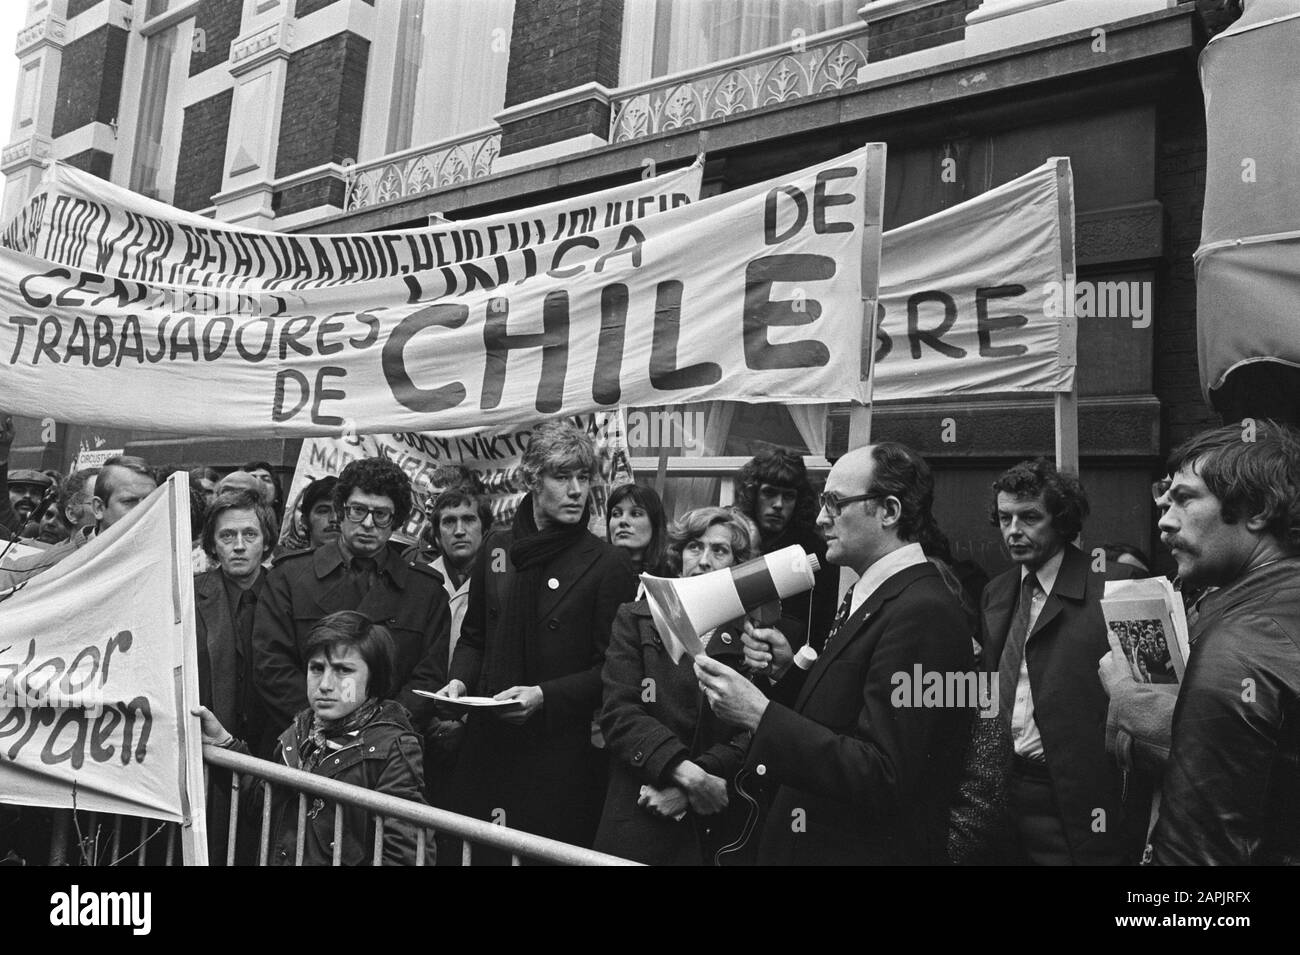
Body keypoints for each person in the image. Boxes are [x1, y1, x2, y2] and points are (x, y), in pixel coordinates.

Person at [696, 442, 973, 865]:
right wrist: (786, 673)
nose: (821, 518)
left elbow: (884, 772)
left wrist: (759, 714)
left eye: (835, 502)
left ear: (889, 511)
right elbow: (843, 714)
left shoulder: (926, 612)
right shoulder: (876, 594)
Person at [440, 421, 637, 861]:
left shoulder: (607, 564)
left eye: (583, 478)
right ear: (532, 479)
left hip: (557, 756)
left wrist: (544, 696)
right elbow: (474, 637)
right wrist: (459, 683)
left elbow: (613, 669)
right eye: (562, 477)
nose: (576, 491)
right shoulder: (497, 548)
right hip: (488, 745)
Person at [1141, 420, 1300, 865]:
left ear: (1258, 508)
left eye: (1185, 499)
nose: (1165, 522)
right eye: (1164, 498)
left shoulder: (1239, 643)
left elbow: (1197, 856)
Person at [977, 458, 1142, 865]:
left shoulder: (1114, 589)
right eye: (1004, 518)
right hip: (1000, 787)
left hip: (1072, 796)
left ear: (1062, 520)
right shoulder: (997, 593)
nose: (1014, 530)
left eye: (1029, 517)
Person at [196, 611, 435, 866]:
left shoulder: (393, 748)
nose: (325, 684)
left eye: (343, 671)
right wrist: (225, 744)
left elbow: (406, 855)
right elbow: (265, 804)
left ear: (373, 680)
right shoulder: (298, 733)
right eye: (317, 669)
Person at [253, 457, 452, 750]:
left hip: (386, 751)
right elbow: (272, 665)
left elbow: (428, 678)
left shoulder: (425, 591)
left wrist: (374, 733)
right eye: (358, 510)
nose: (369, 524)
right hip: (304, 745)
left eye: (381, 514)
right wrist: (324, 727)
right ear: (340, 511)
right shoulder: (290, 578)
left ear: (396, 520)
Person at [594, 507, 754, 865]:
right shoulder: (637, 619)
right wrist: (685, 773)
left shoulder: (754, 636)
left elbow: (752, 733)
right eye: (695, 547)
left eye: (720, 550)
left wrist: (690, 788)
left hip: (714, 825)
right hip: (641, 811)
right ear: (679, 555)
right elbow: (620, 712)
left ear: (736, 564)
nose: (704, 560)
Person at [733, 449, 839, 653]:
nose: (778, 505)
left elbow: (821, 626)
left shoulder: (816, 552)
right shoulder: (733, 537)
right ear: (753, 494)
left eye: (788, 496)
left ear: (798, 502)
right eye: (769, 493)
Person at [0, 455, 157, 592]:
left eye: (152, 500)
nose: (144, 508)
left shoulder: (167, 559)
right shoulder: (42, 568)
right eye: (129, 501)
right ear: (99, 508)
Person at [605, 482, 668, 578]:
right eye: (616, 514)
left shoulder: (674, 578)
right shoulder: (593, 574)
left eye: (635, 514)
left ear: (655, 524)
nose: (623, 521)